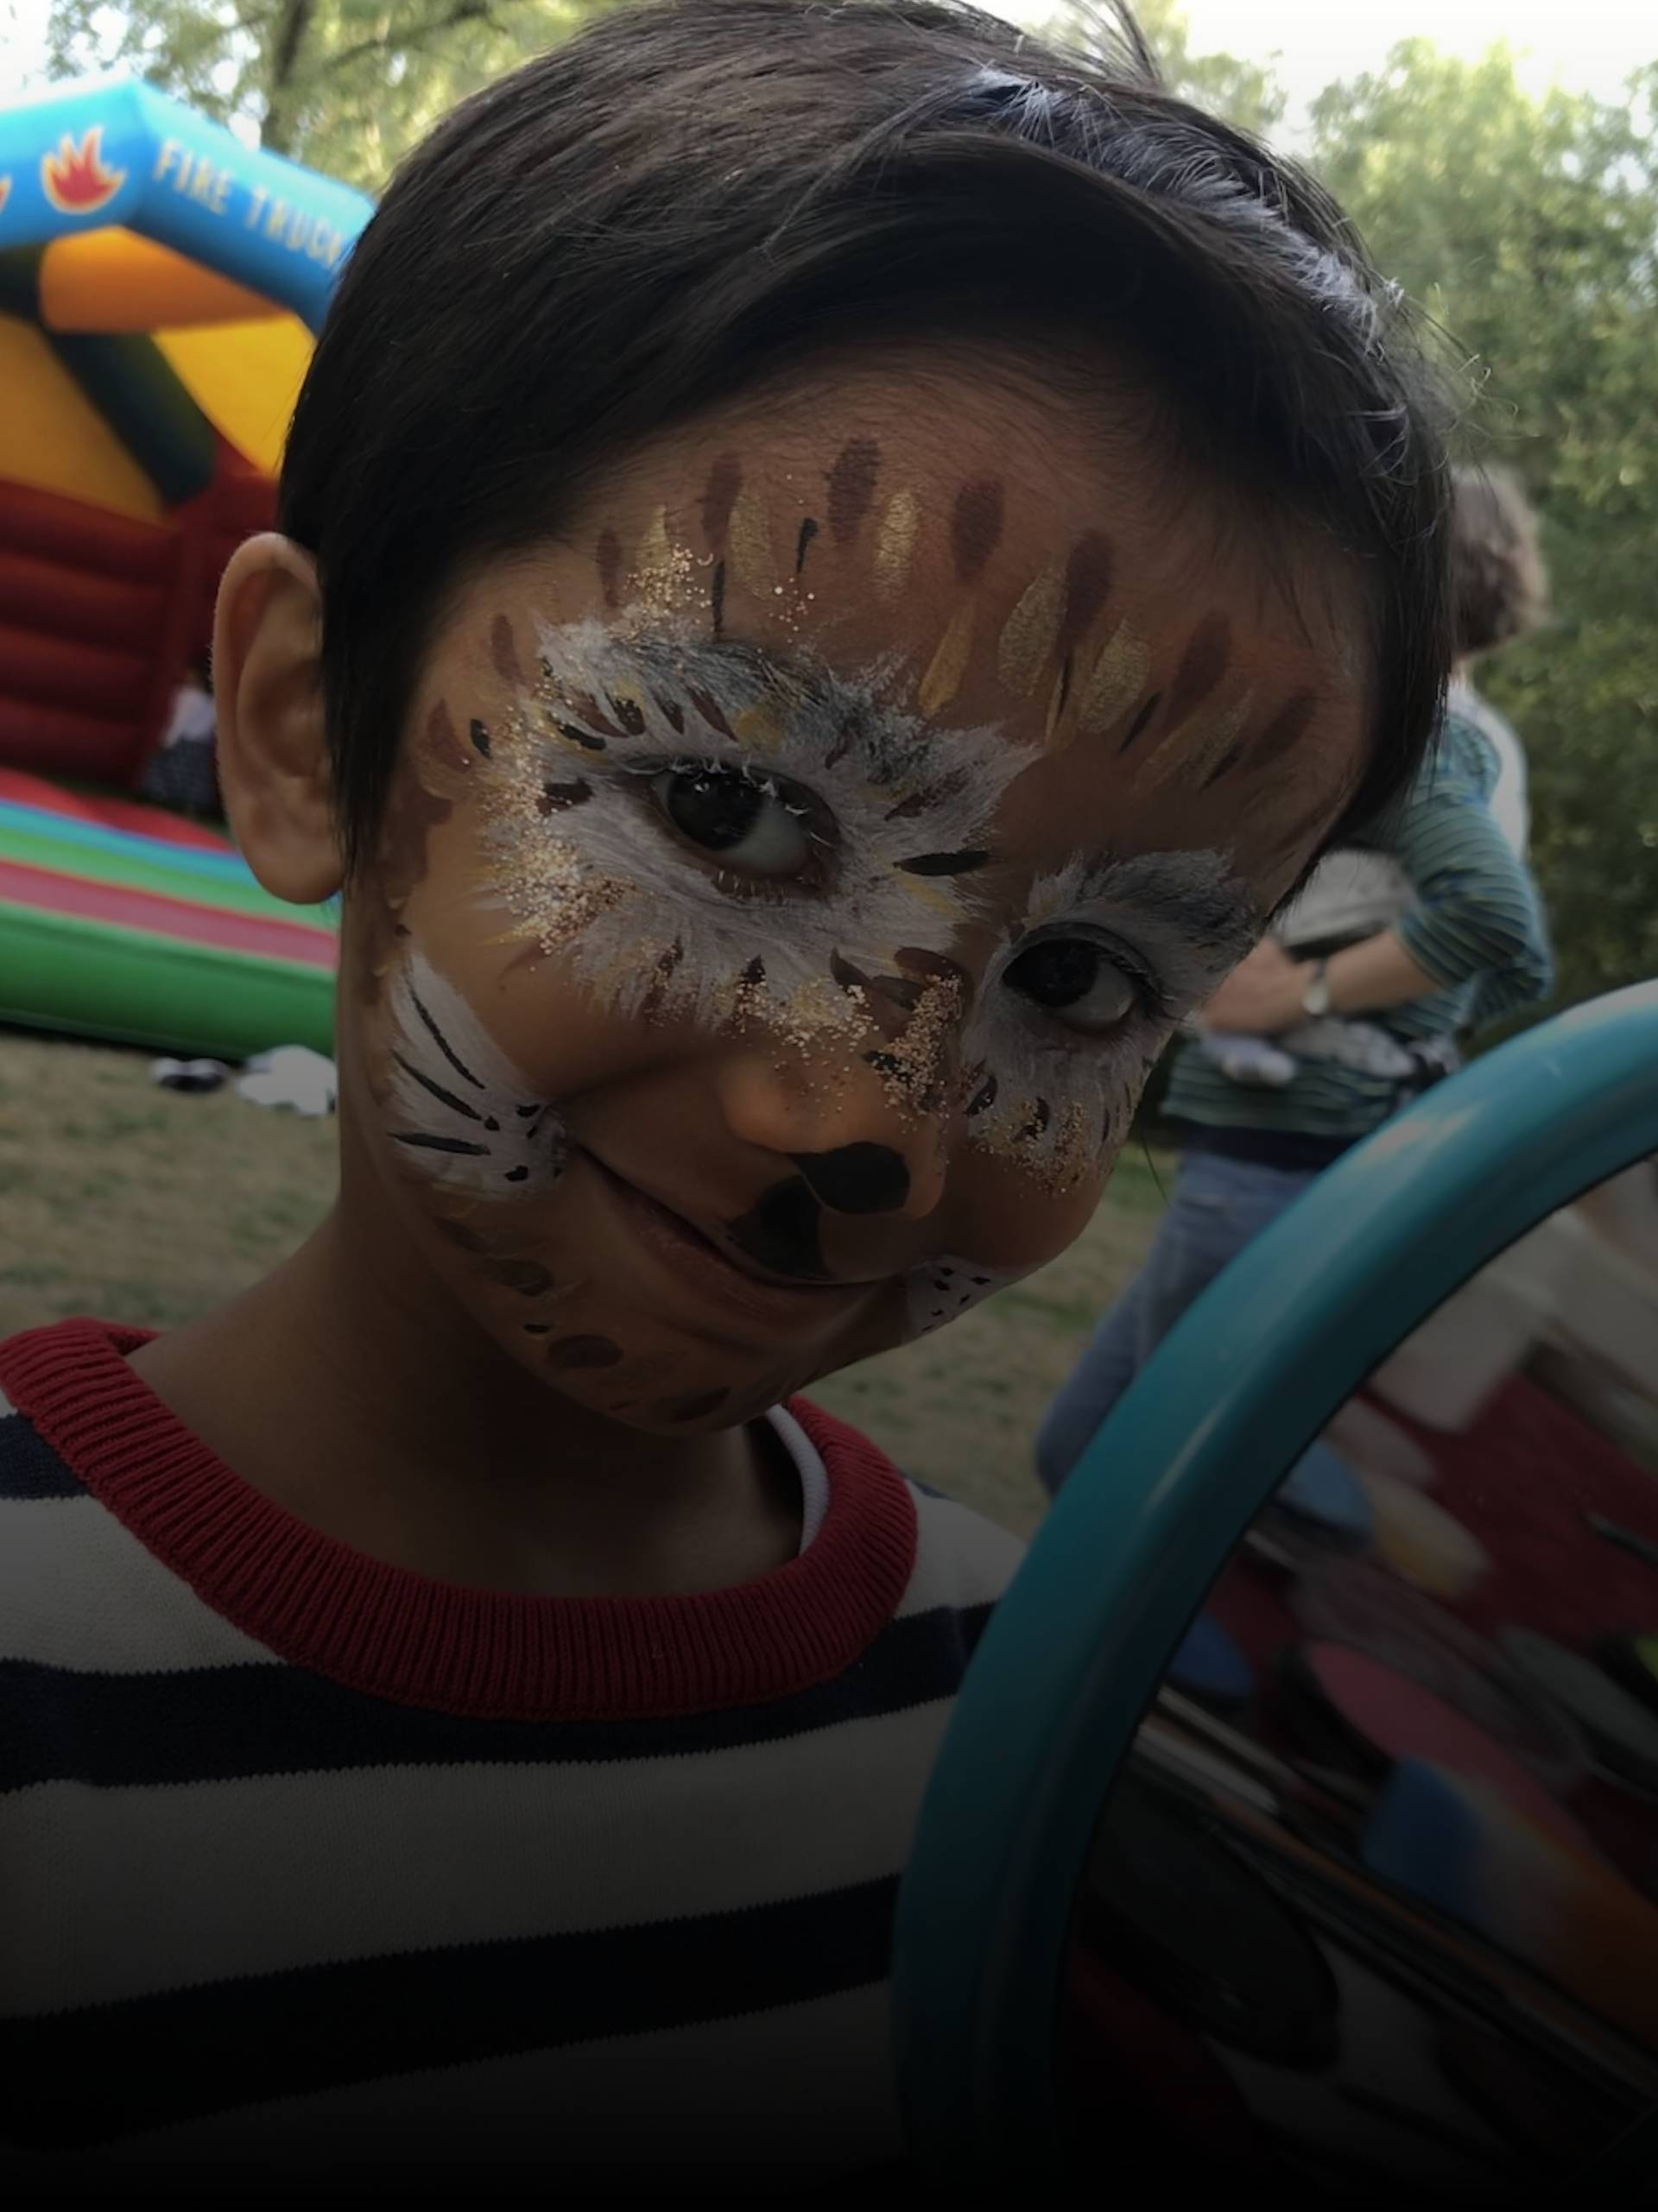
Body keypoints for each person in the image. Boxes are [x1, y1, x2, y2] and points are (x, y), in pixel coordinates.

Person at [0, 0, 1454, 2184]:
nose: (870, 1119)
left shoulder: (1029, 1727)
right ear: (305, 730)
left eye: (1075, 979)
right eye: (723, 809)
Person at [1035, 465, 1553, 1498]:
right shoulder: (1484, 742)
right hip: (1283, 1151)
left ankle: (1343, 1562)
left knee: (1171, 1476)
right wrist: (1413, 1050)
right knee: (1081, 1450)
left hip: (1269, 1158)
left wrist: (1300, 998)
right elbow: (1518, 971)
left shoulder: (1425, 741)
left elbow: (1496, 921)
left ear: (1399, 580)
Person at [140, 658, 221, 817]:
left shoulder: (187, 697)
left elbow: (179, 721)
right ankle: (191, 805)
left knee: (166, 770)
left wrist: (167, 740)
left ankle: (158, 797)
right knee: (194, 778)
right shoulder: (212, 702)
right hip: (200, 747)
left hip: (182, 743)